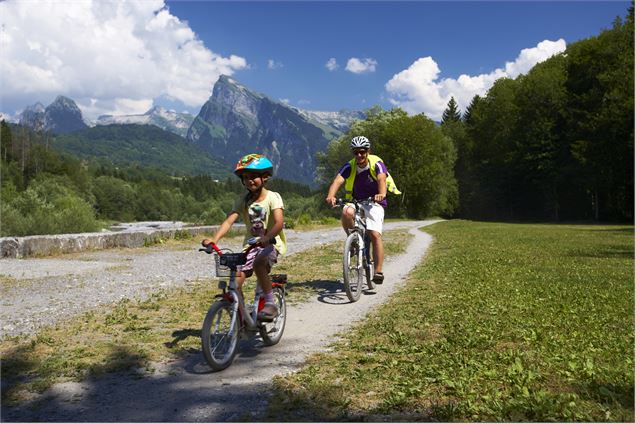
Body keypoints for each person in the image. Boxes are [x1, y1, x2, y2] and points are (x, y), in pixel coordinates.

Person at [202, 153, 286, 321]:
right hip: (250, 248)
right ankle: (241, 318)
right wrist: (214, 239)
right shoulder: (243, 200)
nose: (249, 180)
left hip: (270, 245)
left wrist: (267, 237)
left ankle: (270, 302)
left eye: (254, 176)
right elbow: (228, 221)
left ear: (265, 177)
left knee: (259, 264)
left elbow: (279, 223)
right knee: (235, 281)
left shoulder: (273, 197)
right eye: (245, 177)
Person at [325, 135, 400, 284]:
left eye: (362, 151)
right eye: (356, 152)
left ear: (368, 151)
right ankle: (353, 240)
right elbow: (337, 181)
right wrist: (331, 196)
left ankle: (378, 271)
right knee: (346, 212)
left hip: (374, 202)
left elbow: (381, 179)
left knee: (374, 234)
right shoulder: (349, 166)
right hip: (356, 200)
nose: (359, 155)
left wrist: (381, 194)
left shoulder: (376, 163)